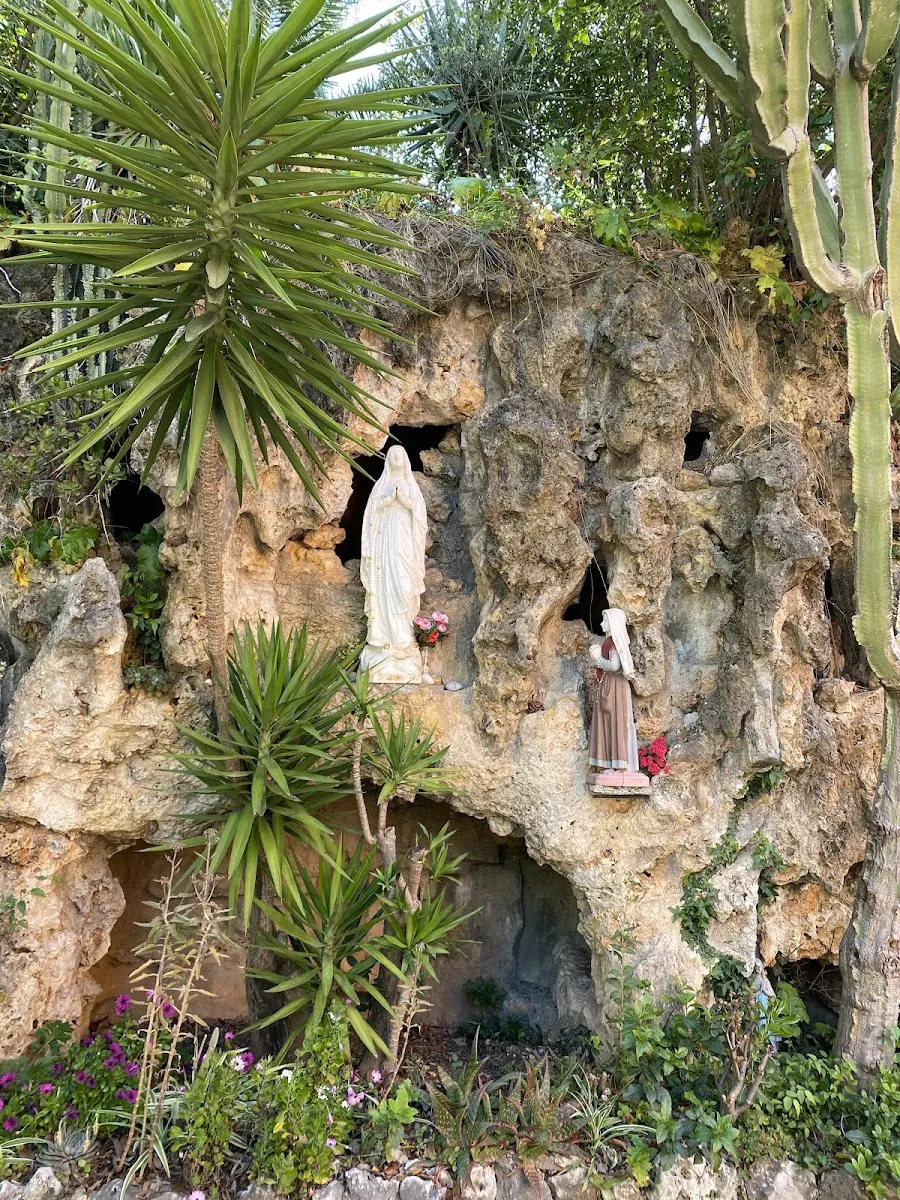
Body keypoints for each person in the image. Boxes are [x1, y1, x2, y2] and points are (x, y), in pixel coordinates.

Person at [359, 445, 428, 683]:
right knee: (385, 587)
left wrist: (406, 501)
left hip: (404, 545)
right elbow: (370, 515)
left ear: (406, 460)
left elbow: (419, 517)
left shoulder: (411, 486)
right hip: (385, 545)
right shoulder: (381, 486)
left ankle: (404, 638)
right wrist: (388, 500)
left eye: (401, 454)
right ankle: (382, 638)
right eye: (393, 454)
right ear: (388, 460)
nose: (397, 456)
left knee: (403, 585)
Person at [589, 608, 641, 782]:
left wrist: (597, 659)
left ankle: (621, 765)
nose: (602, 623)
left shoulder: (614, 643)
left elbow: (615, 666)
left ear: (613, 623)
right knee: (610, 724)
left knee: (618, 724)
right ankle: (612, 762)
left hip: (616, 687)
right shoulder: (609, 642)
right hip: (610, 686)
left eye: (605, 620)